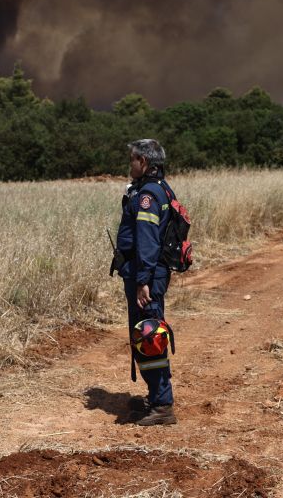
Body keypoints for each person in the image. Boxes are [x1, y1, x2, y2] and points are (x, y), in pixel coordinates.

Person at [112, 138, 178, 426]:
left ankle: (162, 404)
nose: (130, 165)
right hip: (149, 274)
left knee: (149, 336)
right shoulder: (160, 188)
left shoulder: (149, 194)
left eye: (133, 160)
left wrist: (142, 282)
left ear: (145, 163)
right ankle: (156, 395)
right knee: (148, 334)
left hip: (147, 277)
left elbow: (148, 242)